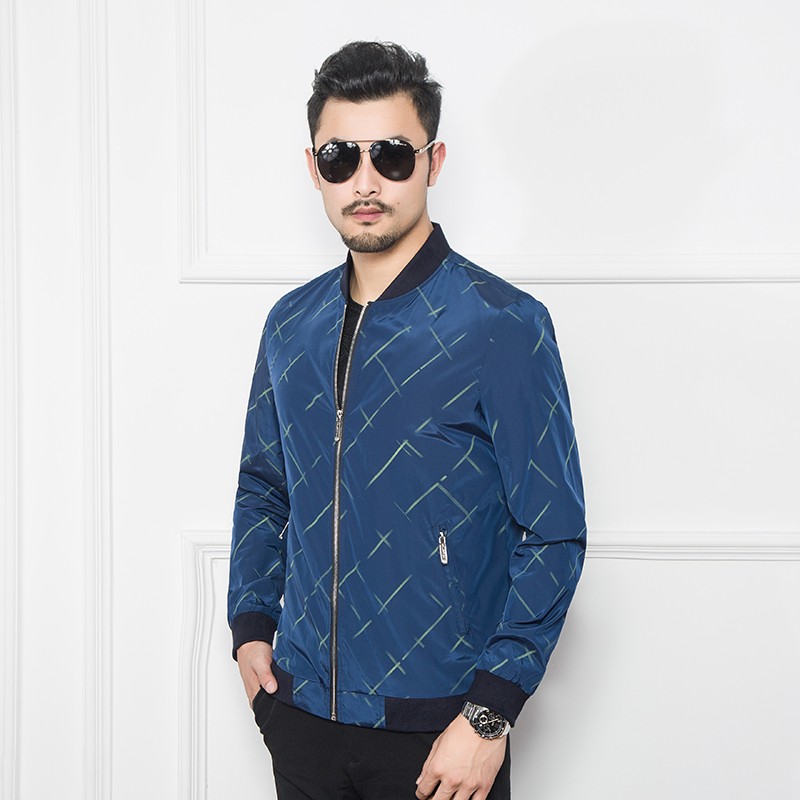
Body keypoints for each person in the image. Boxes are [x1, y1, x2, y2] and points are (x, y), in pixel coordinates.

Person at [228, 40, 586, 800]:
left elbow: (554, 531)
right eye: (340, 159)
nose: (365, 182)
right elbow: (264, 486)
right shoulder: (291, 324)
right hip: (301, 718)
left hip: (441, 731)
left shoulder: (501, 324)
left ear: (433, 161)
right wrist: (250, 626)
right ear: (314, 168)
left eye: (391, 156)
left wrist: (488, 716)